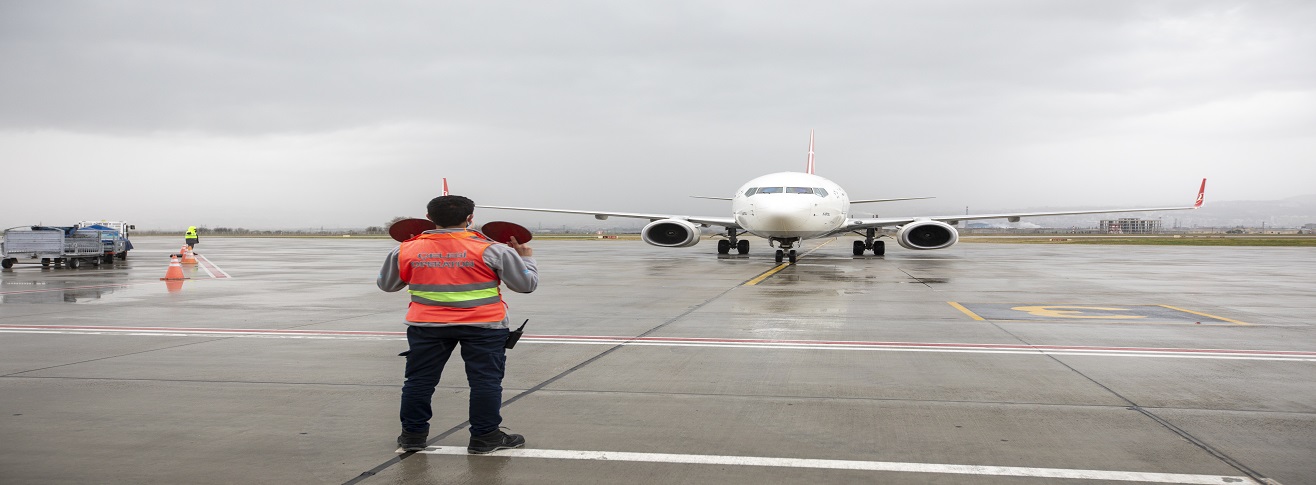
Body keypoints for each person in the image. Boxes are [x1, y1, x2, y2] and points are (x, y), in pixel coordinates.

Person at [377, 195, 538, 454]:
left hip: (426, 325)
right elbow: (526, 286)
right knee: (485, 382)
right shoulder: (492, 249)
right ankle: (485, 438)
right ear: (470, 218)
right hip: (484, 326)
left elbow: (387, 285)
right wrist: (526, 259)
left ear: (429, 218)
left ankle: (412, 436)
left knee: (419, 381)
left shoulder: (406, 249)